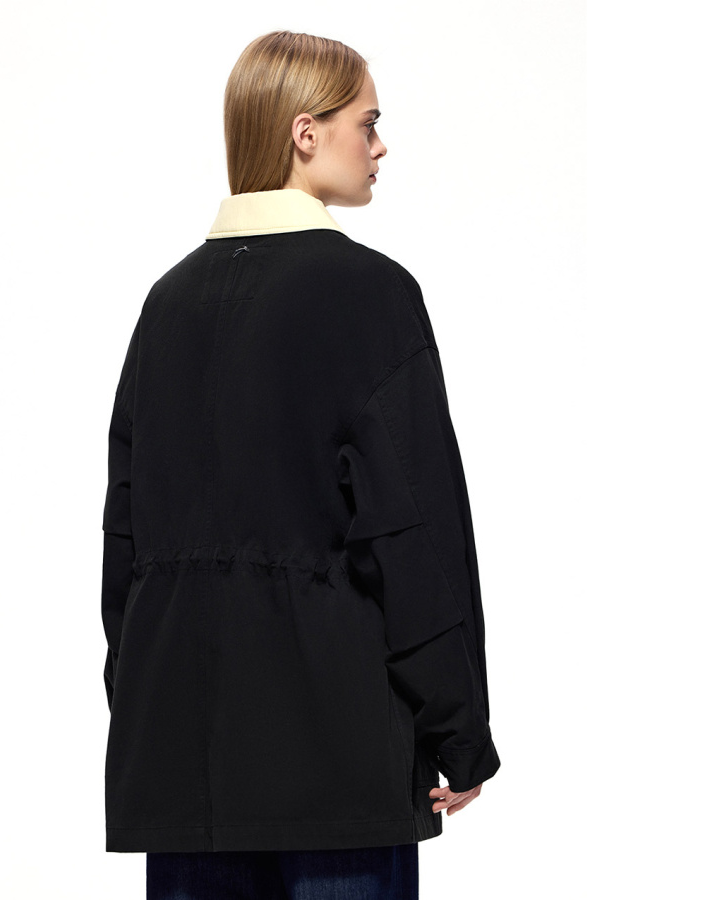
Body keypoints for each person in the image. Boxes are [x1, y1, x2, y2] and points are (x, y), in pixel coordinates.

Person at [101, 30, 501, 899]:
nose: (380, 146)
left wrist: (139, 710)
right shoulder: (369, 294)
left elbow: (125, 545)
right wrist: (460, 730)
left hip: (183, 770)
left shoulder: (166, 303)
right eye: (369, 122)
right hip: (337, 766)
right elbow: (415, 531)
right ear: (305, 132)